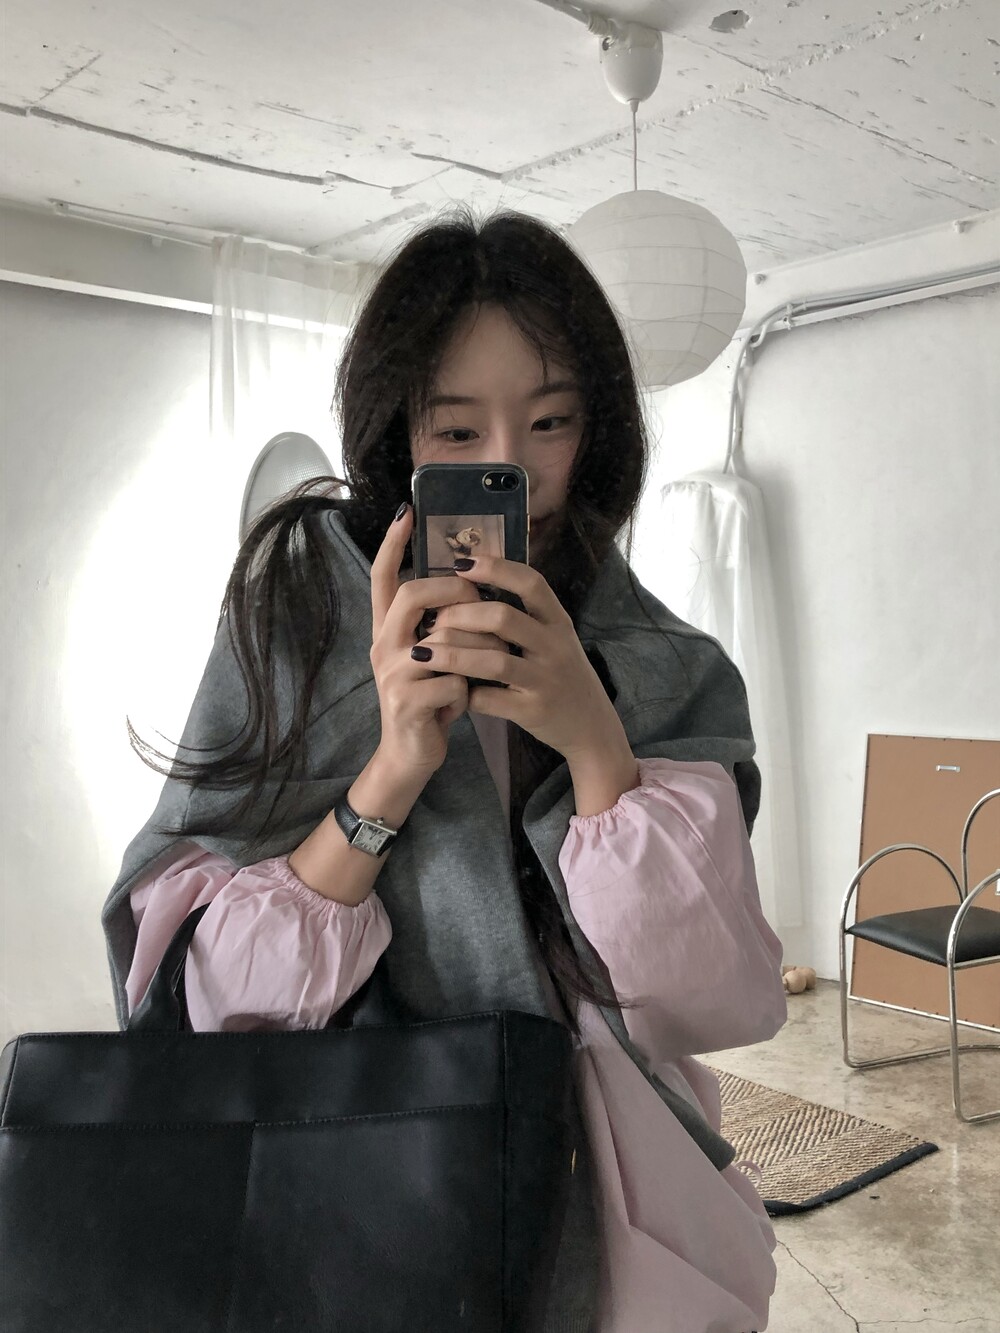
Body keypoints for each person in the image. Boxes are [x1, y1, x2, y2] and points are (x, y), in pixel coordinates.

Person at [103, 207, 786, 1333]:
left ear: (600, 429)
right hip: (348, 1187)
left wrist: (593, 740)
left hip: (600, 1202)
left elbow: (700, 997)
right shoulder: (297, 616)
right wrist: (394, 767)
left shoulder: (668, 663)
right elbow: (203, 1007)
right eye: (457, 430)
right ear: (396, 431)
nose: (510, 466)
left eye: (552, 420)